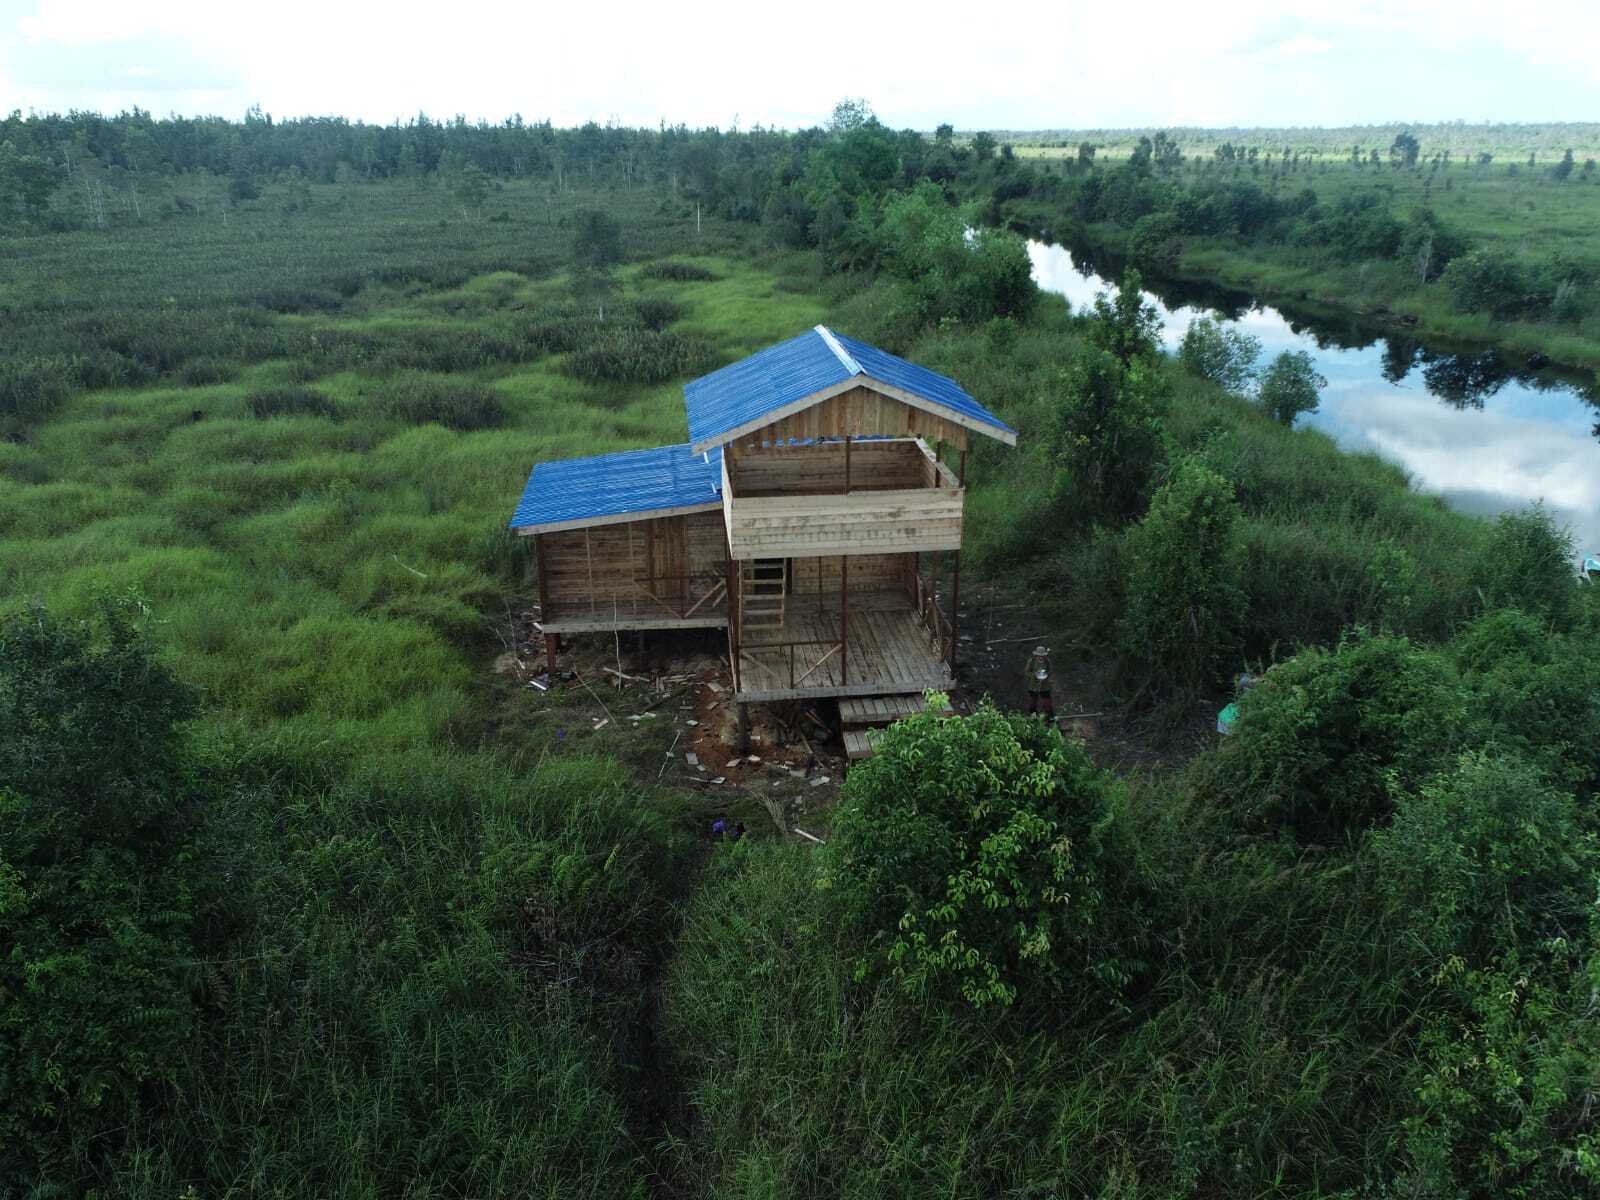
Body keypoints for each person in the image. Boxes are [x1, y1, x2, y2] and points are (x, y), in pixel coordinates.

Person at [1024, 645, 1053, 717]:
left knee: (1047, 703)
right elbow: (1027, 671)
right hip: (1034, 685)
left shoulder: (1047, 661)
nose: (1040, 656)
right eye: (1039, 655)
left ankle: (1049, 718)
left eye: (1042, 655)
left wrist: (1046, 675)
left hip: (1044, 685)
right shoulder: (1032, 661)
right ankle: (1033, 717)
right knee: (1033, 703)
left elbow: (1050, 670)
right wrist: (1034, 676)